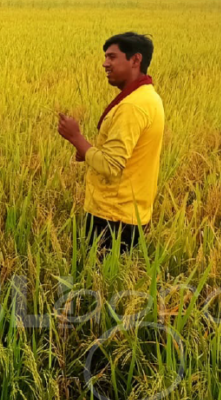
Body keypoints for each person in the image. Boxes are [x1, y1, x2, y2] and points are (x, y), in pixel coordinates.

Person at [57, 32, 165, 252]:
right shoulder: (148, 97)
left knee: (97, 272)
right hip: (130, 213)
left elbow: (110, 165)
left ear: (135, 60)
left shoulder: (131, 107)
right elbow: (123, 155)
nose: (105, 64)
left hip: (113, 217)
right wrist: (87, 151)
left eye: (112, 57)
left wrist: (76, 138)